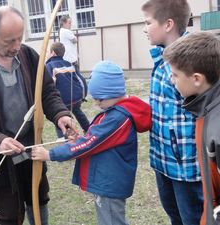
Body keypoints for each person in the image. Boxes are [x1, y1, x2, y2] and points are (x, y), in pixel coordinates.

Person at [0, 6, 75, 225]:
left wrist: (60, 115)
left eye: (19, 38)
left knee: (39, 200)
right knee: (9, 213)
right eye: (9, 41)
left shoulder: (27, 55)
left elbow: (46, 92)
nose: (17, 46)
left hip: (31, 147)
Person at [32, 60, 152, 225]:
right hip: (108, 182)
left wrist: (50, 154)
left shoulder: (117, 117)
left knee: (111, 221)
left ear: (112, 94)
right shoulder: (114, 112)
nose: (97, 104)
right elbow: (96, 139)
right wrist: (80, 139)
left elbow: (89, 143)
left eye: (99, 100)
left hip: (110, 185)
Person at [142, 0, 204, 224]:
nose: (144, 28)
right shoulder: (163, 57)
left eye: (148, 22)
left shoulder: (189, 60)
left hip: (185, 165)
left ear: (168, 24)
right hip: (164, 160)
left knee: (192, 219)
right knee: (175, 215)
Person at [163, 31, 220, 225]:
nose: (172, 80)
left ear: (196, 78)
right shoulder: (204, 109)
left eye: (175, 75)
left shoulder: (216, 127)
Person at [46, 42, 89, 137]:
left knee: (61, 118)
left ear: (53, 53)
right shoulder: (69, 64)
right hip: (76, 98)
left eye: (48, 52)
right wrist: (83, 95)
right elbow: (81, 79)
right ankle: (88, 129)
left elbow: (50, 85)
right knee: (78, 112)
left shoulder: (50, 66)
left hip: (62, 101)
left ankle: (64, 138)